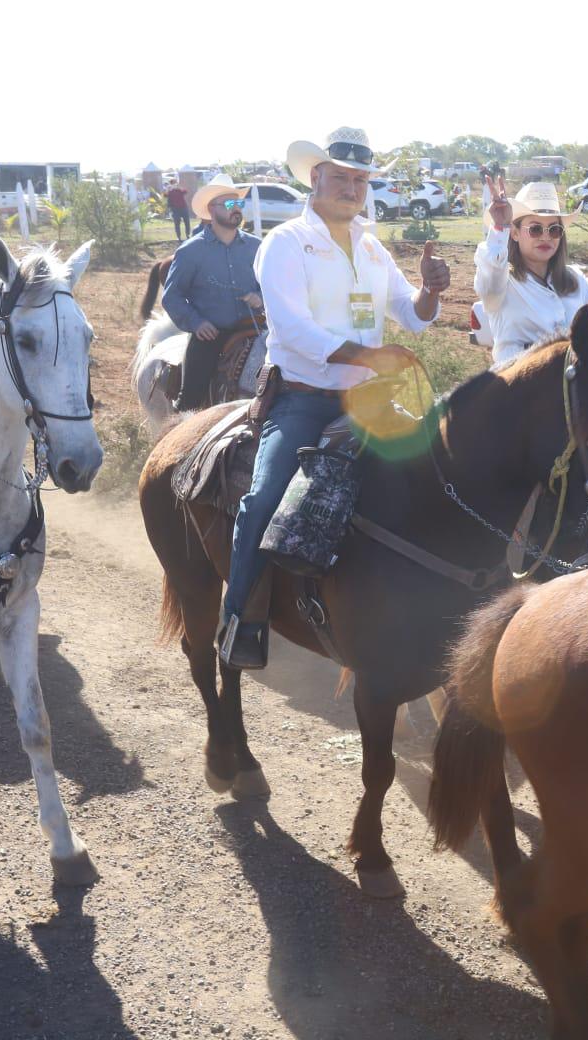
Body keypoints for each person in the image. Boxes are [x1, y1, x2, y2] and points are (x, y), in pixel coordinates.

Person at [217, 126, 450, 668]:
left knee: (439, 478)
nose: (351, 188)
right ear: (315, 178)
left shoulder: (371, 247)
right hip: (304, 400)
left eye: (360, 180)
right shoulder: (285, 243)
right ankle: (239, 620)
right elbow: (293, 329)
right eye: (341, 177)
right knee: (264, 498)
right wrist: (369, 356)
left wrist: (431, 291)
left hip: (369, 402)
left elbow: (412, 316)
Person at [473, 174, 588, 366]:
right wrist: (499, 228)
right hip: (516, 381)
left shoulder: (575, 279)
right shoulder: (503, 281)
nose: (546, 237)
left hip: (571, 382)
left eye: (554, 229)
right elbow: (489, 282)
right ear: (514, 233)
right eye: (535, 229)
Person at [159, 173, 263, 409]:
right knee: (191, 401)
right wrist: (197, 323)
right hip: (211, 336)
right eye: (229, 203)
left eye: (238, 203)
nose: (236, 208)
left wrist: (260, 297)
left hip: (255, 329)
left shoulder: (257, 247)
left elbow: (272, 286)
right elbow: (172, 297)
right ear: (211, 209)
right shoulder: (190, 252)